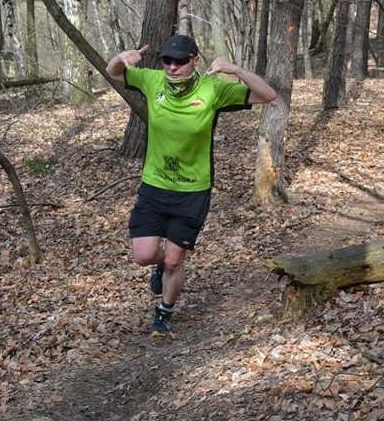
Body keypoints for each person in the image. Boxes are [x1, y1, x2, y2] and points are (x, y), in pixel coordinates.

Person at [106, 34, 276, 336]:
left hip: (192, 190)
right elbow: (113, 73)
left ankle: (164, 312)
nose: (173, 67)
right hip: (154, 186)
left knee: (174, 259)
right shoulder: (152, 81)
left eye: (181, 61)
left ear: (194, 61)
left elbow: (267, 95)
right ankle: (162, 266)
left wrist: (235, 70)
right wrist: (120, 58)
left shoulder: (213, 89)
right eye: (168, 60)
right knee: (144, 255)